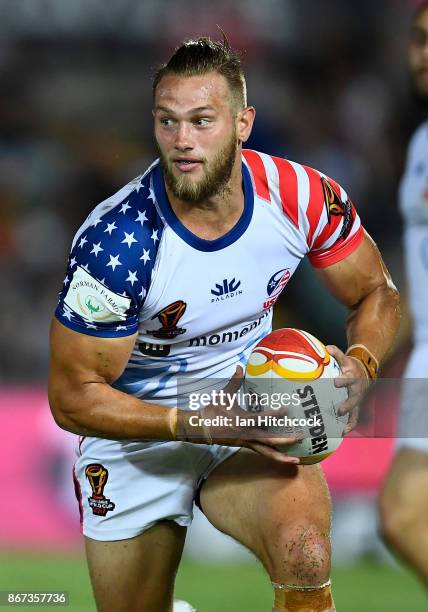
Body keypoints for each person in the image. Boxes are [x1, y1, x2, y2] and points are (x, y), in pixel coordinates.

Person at [48, 37, 400, 612]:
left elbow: (375, 292)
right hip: (137, 433)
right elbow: (70, 398)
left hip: (251, 402)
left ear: (242, 123)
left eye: (202, 121)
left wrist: (361, 365)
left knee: (306, 553)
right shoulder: (120, 242)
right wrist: (201, 422)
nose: (182, 141)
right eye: (168, 121)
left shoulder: (301, 195)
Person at [379, 2, 428, 586]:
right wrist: (365, 360)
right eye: (418, 39)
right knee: (403, 516)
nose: (424, 54)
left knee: (404, 511)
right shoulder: (420, 145)